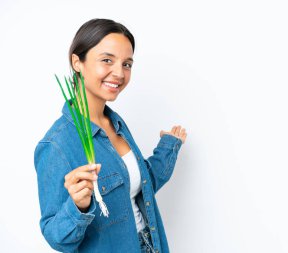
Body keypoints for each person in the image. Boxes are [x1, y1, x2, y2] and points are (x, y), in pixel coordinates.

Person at [34, 18, 187, 253]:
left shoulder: (115, 123)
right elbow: (57, 239)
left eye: (127, 64)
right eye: (107, 60)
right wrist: (78, 207)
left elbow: (139, 187)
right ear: (77, 62)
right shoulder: (56, 145)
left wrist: (168, 148)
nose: (119, 73)